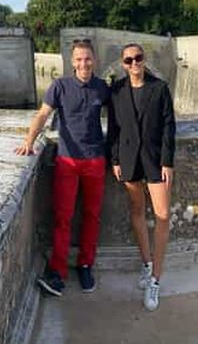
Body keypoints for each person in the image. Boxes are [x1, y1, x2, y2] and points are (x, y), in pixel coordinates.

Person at [16, 39, 110, 296]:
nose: (83, 64)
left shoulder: (102, 88)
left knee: (91, 215)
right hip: (67, 160)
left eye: (87, 59)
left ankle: (85, 264)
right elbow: (43, 115)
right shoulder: (60, 86)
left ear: (94, 60)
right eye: (79, 59)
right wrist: (28, 141)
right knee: (63, 218)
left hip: (95, 159)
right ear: (72, 61)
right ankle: (58, 272)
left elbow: (122, 117)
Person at [107, 43, 175, 311]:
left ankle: (155, 280)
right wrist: (114, 158)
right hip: (128, 158)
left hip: (155, 160)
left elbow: (169, 126)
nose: (134, 63)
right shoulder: (117, 91)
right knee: (136, 210)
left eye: (138, 58)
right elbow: (112, 128)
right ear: (123, 64)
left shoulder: (159, 88)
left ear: (144, 60)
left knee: (162, 216)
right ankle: (147, 265)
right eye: (129, 60)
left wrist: (167, 162)